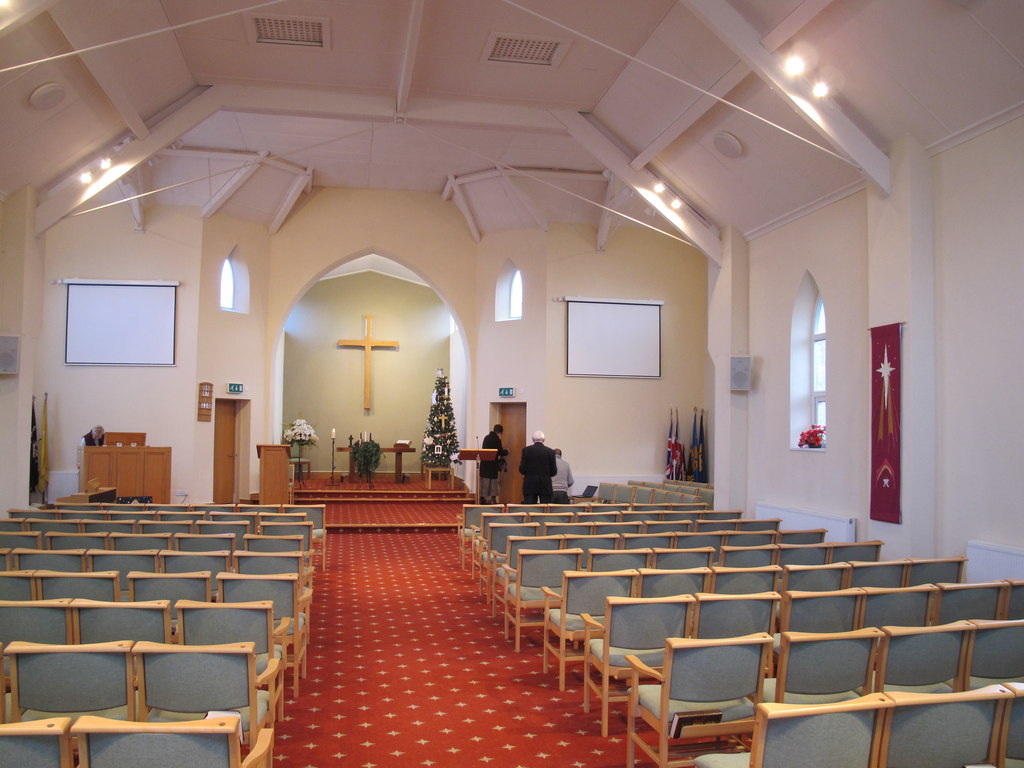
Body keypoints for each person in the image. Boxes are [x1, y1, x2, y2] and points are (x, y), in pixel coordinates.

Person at [519, 430, 557, 504]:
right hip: (545, 484)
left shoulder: (526, 450)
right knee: (545, 509)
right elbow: (554, 471)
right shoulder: (551, 452)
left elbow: (522, 469)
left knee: (530, 509)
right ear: (544, 440)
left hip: (530, 484)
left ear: (533, 440)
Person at [479, 424, 508, 505]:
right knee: (492, 483)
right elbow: (500, 452)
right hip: (492, 465)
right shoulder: (497, 440)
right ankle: (492, 500)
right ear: (499, 432)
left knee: (484, 482)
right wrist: (507, 451)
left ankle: (483, 499)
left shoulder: (486, 437)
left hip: (484, 464)